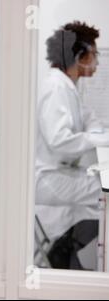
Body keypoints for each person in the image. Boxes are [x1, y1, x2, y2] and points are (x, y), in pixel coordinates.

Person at [35, 21, 109, 269]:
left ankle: (65, 247)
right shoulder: (56, 87)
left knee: (101, 197)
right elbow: (60, 141)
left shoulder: (68, 87)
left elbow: (92, 121)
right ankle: (64, 248)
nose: (96, 60)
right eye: (94, 54)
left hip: (59, 173)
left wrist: (99, 133)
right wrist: (101, 138)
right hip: (48, 177)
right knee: (105, 197)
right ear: (80, 55)